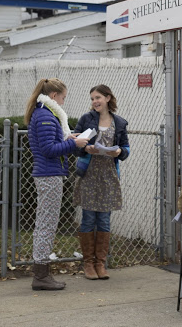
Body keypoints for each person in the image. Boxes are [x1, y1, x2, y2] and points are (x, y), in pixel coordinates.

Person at [25, 78, 89, 291]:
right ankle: (41, 276)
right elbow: (49, 150)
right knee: (46, 224)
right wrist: (73, 144)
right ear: (54, 96)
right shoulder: (45, 115)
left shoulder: (44, 112)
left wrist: (69, 138)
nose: (63, 102)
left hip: (49, 174)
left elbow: (51, 144)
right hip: (49, 175)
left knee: (45, 222)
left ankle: (42, 273)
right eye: (63, 97)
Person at [73, 84, 130, 280]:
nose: (94, 101)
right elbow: (75, 144)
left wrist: (119, 152)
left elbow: (126, 149)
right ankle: (88, 264)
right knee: (88, 218)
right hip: (89, 173)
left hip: (108, 175)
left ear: (107, 98)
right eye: (92, 99)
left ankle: (101, 264)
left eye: (97, 97)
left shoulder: (120, 123)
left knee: (104, 220)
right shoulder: (86, 119)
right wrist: (85, 148)